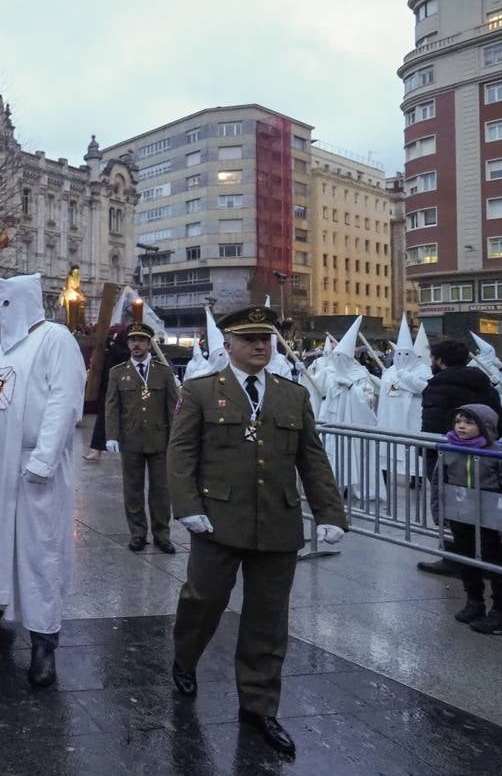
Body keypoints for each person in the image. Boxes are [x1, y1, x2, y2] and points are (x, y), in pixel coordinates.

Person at [168, 304, 347, 760]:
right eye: (250, 340)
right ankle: (185, 658)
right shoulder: (201, 391)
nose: (260, 347)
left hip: (277, 523)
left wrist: (329, 514)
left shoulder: (292, 396)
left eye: (265, 339)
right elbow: (181, 454)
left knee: (268, 620)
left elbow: (312, 458)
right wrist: (187, 508)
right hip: (217, 521)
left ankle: (259, 706)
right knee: (202, 601)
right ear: (227, 345)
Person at [0, 273, 85, 689]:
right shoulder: (6, 352)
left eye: (9, 304)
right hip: (1, 466)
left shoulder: (55, 339)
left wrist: (44, 460)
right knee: (0, 542)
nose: (3, 312)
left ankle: (44, 639)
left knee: (39, 552)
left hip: (35, 466)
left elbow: (63, 402)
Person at [417, 339, 502, 577]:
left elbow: (432, 427)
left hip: (448, 457)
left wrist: (428, 451)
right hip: (484, 455)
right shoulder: (483, 382)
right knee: (485, 508)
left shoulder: (438, 385)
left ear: (439, 360)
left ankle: (457, 558)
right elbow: (500, 422)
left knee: (454, 508)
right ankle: (488, 560)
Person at [440, 404, 502, 636]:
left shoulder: (498, 455)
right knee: (466, 558)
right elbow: (440, 482)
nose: (461, 426)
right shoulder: (450, 449)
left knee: (496, 564)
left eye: (468, 422)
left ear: (485, 427)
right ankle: (474, 601)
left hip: (491, 519)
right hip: (462, 515)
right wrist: (442, 512)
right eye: (458, 421)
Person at [105, 323, 180, 554]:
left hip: (160, 440)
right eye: (132, 340)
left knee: (161, 490)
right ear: (127, 344)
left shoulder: (163, 371)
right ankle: (138, 534)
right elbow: (112, 406)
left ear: (149, 344)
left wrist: (176, 438)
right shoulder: (118, 372)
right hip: (131, 439)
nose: (136, 344)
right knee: (133, 489)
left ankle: (162, 534)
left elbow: (173, 407)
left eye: (141, 340)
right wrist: (112, 435)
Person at [316, 317, 379, 501]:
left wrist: (352, 389)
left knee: (351, 455)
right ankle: (332, 484)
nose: (337, 360)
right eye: (335, 357)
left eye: (341, 357)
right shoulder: (329, 373)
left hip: (352, 422)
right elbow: (319, 391)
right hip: (332, 420)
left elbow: (370, 399)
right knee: (331, 453)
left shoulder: (360, 375)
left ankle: (351, 485)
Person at [83, 324, 127, 462]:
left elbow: (124, 355)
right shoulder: (111, 348)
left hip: (124, 389)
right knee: (103, 420)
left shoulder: (121, 347)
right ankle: (97, 450)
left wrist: (112, 345)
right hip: (108, 389)